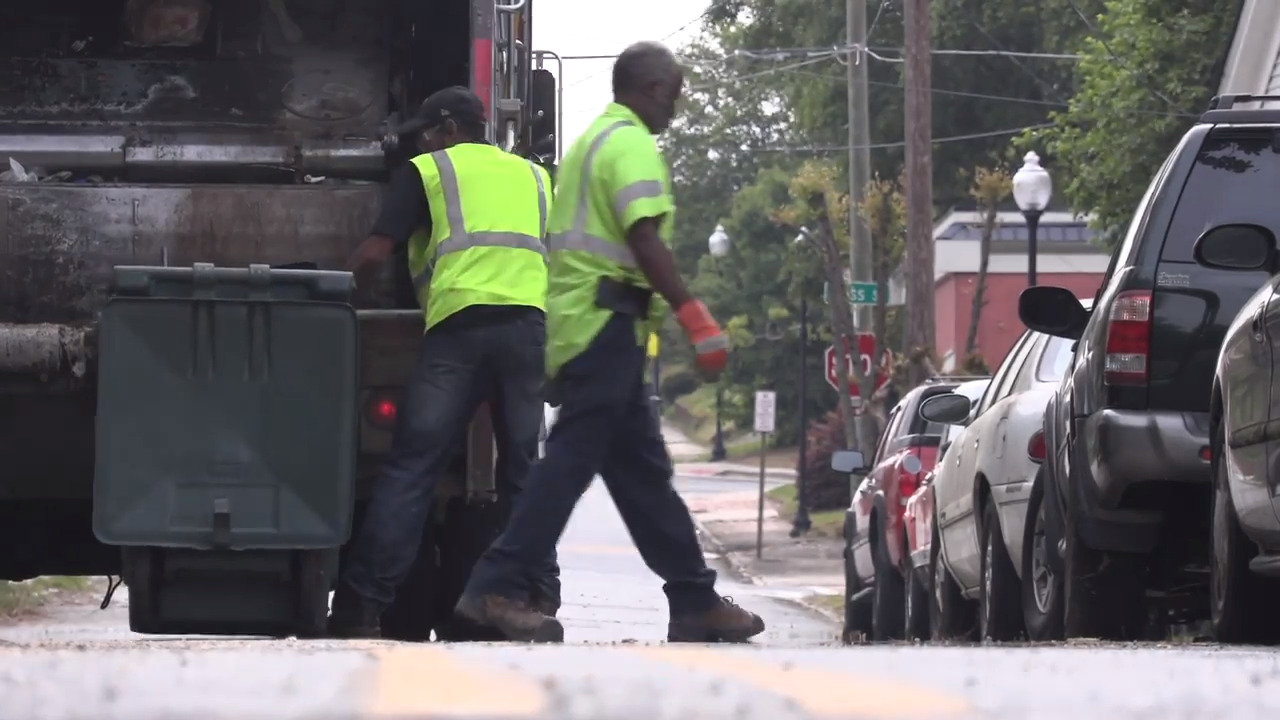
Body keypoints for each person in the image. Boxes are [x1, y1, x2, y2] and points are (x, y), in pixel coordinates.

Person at [453, 41, 767, 644]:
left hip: (587, 325)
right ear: (649, 89)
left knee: (643, 473)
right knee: (568, 463)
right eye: (670, 96)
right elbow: (643, 235)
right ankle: (494, 586)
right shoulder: (629, 143)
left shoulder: (592, 141)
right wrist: (693, 315)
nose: (672, 110)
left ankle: (694, 598)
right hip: (605, 326)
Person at [328, 86, 560, 638]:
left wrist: (331, 291)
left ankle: (361, 607)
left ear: (451, 128)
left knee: (413, 468)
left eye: (428, 132)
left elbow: (376, 252)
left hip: (459, 330)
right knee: (524, 472)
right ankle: (534, 598)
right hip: (527, 329)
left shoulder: (429, 171)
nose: (423, 142)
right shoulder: (535, 176)